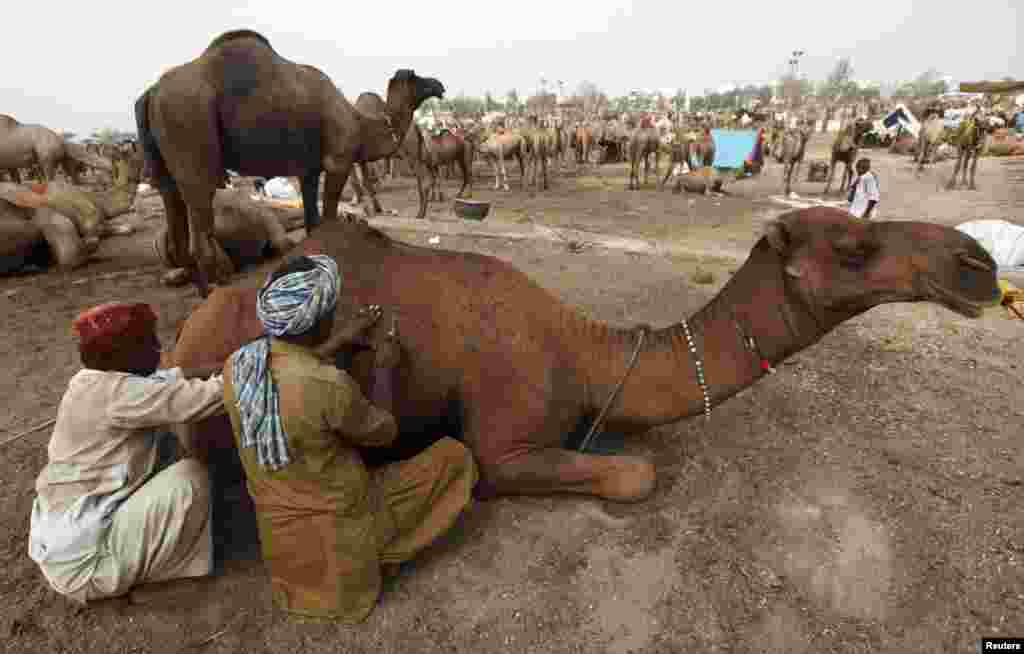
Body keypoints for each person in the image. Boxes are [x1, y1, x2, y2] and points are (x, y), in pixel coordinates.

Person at [223, 254, 477, 623]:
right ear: (317, 319)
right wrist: (384, 369)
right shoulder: (328, 385)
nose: (334, 314)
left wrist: (340, 340)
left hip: (283, 549)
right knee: (454, 457)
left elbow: (291, 367)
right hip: (342, 542)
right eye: (331, 310)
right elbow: (384, 433)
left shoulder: (240, 365)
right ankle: (382, 551)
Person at [28, 303, 225, 604]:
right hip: (86, 564)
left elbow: (169, 378)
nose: (159, 348)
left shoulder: (91, 381)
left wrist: (221, 363)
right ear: (123, 355)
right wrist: (246, 365)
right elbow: (207, 397)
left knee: (167, 456)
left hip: (67, 540)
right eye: (148, 343)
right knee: (190, 478)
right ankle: (160, 576)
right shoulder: (121, 396)